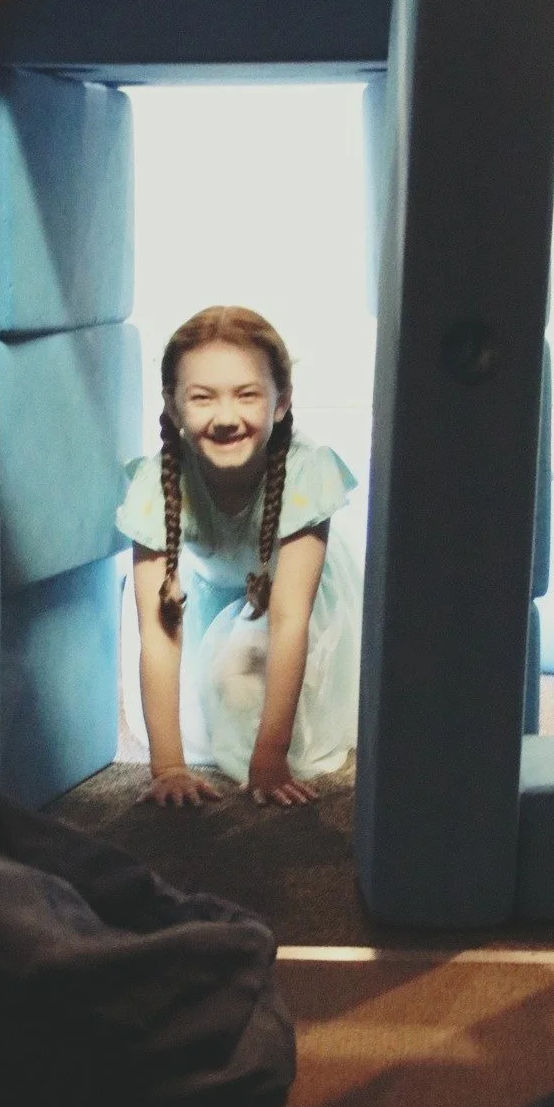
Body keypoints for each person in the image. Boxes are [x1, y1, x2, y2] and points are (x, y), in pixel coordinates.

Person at [117, 306, 363, 808]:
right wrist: (168, 766)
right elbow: (159, 631)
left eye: (247, 394)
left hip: (286, 594)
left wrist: (269, 759)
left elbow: (291, 620)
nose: (226, 417)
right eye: (202, 397)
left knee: (242, 683)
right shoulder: (156, 484)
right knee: (204, 719)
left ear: (281, 401)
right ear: (172, 405)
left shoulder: (305, 472)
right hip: (207, 588)